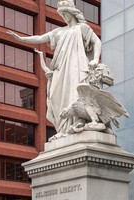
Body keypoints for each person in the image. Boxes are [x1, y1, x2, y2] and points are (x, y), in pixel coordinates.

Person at [7, 0, 101, 136]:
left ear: (71, 13)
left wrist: (95, 59)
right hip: (60, 69)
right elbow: (40, 38)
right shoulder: (59, 32)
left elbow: (97, 42)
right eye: (61, 14)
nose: (63, 17)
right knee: (56, 97)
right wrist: (21, 39)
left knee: (76, 93)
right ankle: (63, 129)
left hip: (77, 65)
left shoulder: (82, 28)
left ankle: (78, 122)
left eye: (64, 13)